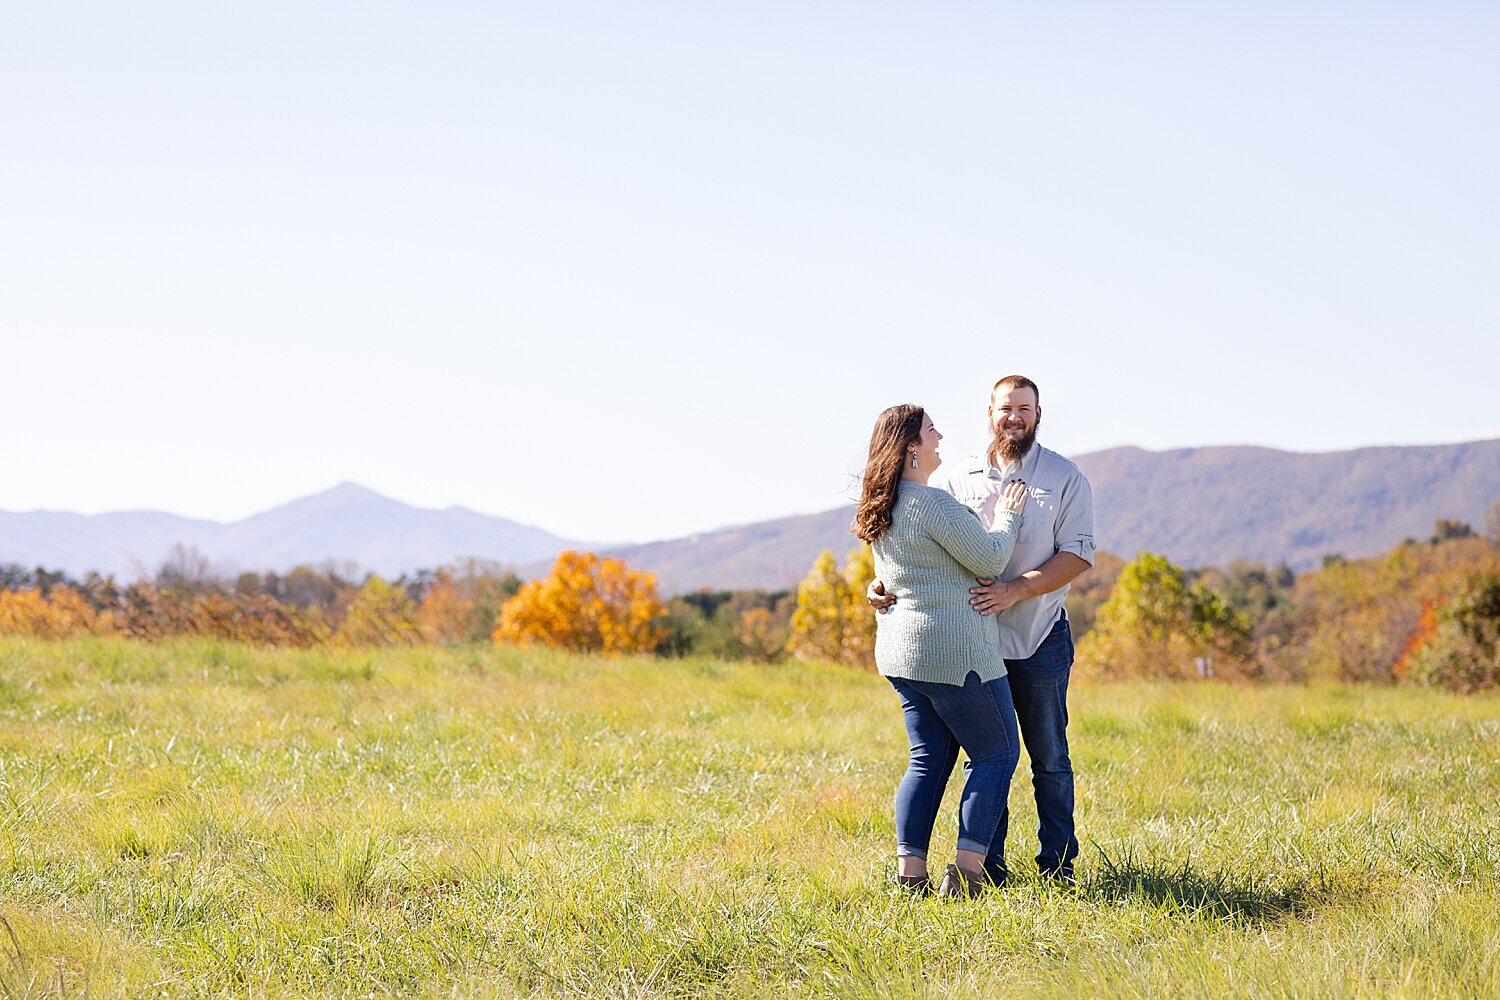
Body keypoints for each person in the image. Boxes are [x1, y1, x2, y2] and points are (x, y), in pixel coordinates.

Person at [869, 375, 1095, 884]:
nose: (1014, 416)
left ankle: (1057, 868)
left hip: (1035, 637)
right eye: (1005, 408)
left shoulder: (1064, 478)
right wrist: (879, 584)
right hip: (970, 644)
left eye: (1024, 408)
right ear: (989, 413)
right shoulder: (953, 478)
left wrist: (1015, 591)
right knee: (986, 756)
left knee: (1050, 760)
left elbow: (1079, 554)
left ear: (1039, 414)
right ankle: (986, 869)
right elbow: (916, 544)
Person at [855, 403, 1031, 898]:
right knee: (996, 753)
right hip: (954, 654)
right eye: (932, 432)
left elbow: (900, 574)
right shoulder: (931, 504)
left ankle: (910, 877)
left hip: (900, 654)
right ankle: (969, 873)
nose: (939, 438)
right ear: (912, 446)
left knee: (928, 759)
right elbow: (992, 559)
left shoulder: (880, 506)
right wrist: (1009, 516)